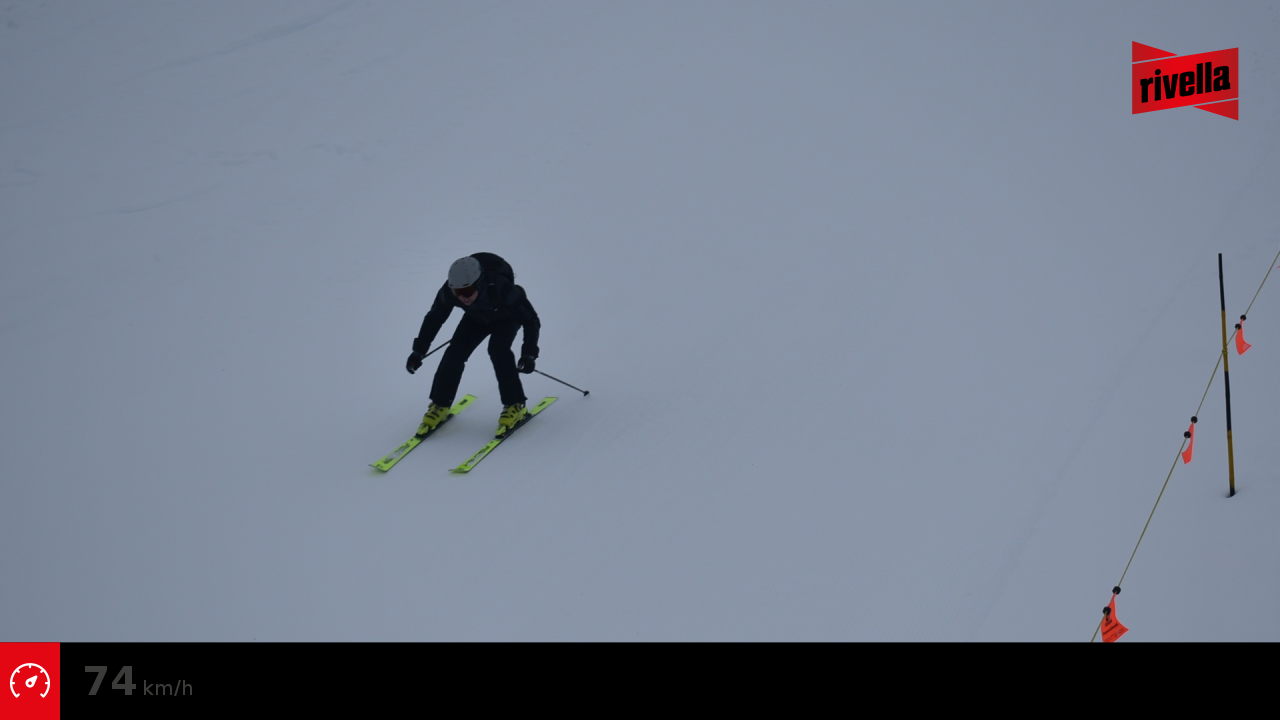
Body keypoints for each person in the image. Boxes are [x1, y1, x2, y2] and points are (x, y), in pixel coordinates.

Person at [406, 253, 540, 437]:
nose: (462, 297)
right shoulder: (450, 291)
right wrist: (418, 351)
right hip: (477, 318)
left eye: (467, 291)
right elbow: (434, 317)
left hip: (507, 318)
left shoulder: (505, 290)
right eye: (457, 292)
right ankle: (440, 404)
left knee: (498, 349)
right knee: (454, 352)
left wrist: (528, 354)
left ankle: (515, 404)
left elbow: (531, 320)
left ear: (479, 283)